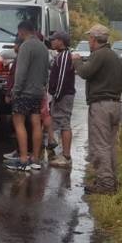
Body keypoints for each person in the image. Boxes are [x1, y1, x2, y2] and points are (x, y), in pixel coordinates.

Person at [72, 24, 122, 194]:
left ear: (94, 39)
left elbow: (85, 72)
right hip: (115, 104)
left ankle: (106, 184)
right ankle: (112, 180)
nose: (89, 41)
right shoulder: (113, 56)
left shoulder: (99, 55)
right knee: (109, 145)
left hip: (101, 105)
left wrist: (77, 61)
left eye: (89, 38)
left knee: (100, 145)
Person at [4, 21, 50, 172]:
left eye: (19, 33)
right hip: (38, 92)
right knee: (36, 123)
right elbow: (46, 71)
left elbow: (21, 72)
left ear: (21, 31)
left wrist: (15, 91)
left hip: (24, 92)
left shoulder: (26, 46)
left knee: (19, 123)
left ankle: (23, 159)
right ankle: (35, 159)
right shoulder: (43, 47)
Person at [48, 31, 76, 168]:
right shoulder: (60, 55)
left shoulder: (64, 56)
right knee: (60, 121)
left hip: (64, 95)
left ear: (61, 41)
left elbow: (62, 78)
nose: (52, 42)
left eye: (54, 40)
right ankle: (64, 154)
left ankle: (66, 156)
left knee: (65, 123)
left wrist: (57, 95)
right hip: (61, 95)